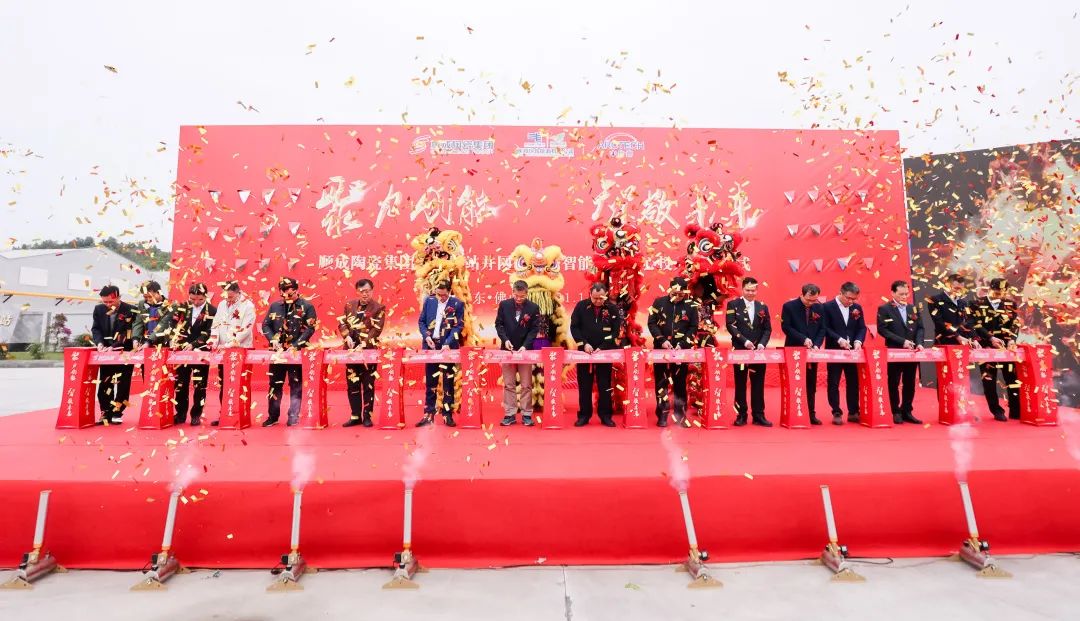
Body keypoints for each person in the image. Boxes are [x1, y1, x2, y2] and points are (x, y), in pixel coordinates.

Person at [260, 277, 317, 427]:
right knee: (274, 384)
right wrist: (272, 339)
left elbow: (310, 328)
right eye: (283, 292)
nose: (286, 294)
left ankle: (293, 415)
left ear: (296, 290)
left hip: (296, 353)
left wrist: (296, 345)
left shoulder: (307, 307)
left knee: (295, 384)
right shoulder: (275, 306)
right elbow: (266, 325)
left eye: (289, 292)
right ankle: (273, 416)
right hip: (277, 352)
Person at [570, 282, 624, 427]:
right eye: (595, 298)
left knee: (604, 385)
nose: (598, 301)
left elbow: (615, 331)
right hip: (585, 352)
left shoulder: (612, 309)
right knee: (584, 385)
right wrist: (584, 344)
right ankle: (584, 415)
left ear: (606, 295)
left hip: (604, 352)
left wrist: (603, 347)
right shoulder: (581, 306)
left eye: (601, 298)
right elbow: (574, 327)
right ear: (590, 294)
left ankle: (605, 415)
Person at [647, 277, 699, 427]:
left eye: (681, 295)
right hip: (661, 349)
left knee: (680, 382)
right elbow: (651, 323)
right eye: (674, 294)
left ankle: (680, 415)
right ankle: (662, 414)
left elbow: (693, 327)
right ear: (669, 290)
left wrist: (683, 343)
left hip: (681, 350)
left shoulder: (691, 306)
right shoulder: (658, 302)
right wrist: (662, 340)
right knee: (661, 382)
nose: (677, 297)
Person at [164, 283, 216, 426]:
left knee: (200, 385)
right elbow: (172, 324)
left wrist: (194, 344)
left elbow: (209, 332)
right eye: (193, 299)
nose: (196, 302)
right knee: (180, 384)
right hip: (182, 352)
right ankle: (180, 414)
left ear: (205, 296)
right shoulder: (183, 307)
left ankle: (196, 414)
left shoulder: (212, 310)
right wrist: (173, 339)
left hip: (201, 353)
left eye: (199, 299)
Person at [338, 278, 386, 428]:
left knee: (368, 385)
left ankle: (367, 416)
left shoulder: (379, 308)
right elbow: (342, 323)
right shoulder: (349, 305)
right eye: (362, 291)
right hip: (351, 352)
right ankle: (355, 416)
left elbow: (376, 330)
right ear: (357, 291)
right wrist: (346, 336)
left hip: (368, 352)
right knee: (352, 384)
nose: (365, 294)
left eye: (368, 291)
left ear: (372, 290)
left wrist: (363, 344)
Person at [972, 278, 1022, 421]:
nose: (1000, 295)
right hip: (987, 348)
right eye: (997, 292)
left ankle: (1015, 410)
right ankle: (996, 410)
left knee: (1012, 378)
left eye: (1003, 292)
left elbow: (1014, 324)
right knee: (989, 380)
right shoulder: (976, 303)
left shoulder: (1010, 304)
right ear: (990, 289)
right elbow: (974, 324)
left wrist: (1011, 339)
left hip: (1006, 348)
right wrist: (990, 338)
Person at [725, 276, 773, 427]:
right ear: (742, 289)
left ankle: (759, 415)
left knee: (758, 383)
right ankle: (741, 415)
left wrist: (762, 344)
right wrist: (744, 341)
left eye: (753, 290)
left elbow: (767, 329)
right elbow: (730, 325)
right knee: (740, 383)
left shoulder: (762, 307)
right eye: (748, 290)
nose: (751, 293)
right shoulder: (733, 304)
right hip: (740, 350)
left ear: (757, 290)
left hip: (758, 352)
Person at [417, 281, 466, 427]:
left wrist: (448, 343)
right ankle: (428, 414)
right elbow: (421, 322)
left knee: (448, 382)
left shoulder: (457, 304)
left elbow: (458, 326)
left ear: (449, 291)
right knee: (430, 382)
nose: (441, 298)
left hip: (448, 348)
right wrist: (426, 336)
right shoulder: (429, 301)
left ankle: (447, 414)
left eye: (444, 295)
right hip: (431, 346)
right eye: (439, 294)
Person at [207, 281, 256, 426]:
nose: (228, 300)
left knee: (239, 383)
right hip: (223, 351)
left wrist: (229, 344)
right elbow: (216, 324)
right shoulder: (222, 304)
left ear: (238, 292)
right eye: (226, 296)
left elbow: (246, 329)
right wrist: (213, 340)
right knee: (225, 383)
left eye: (231, 297)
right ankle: (225, 414)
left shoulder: (248, 306)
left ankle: (240, 416)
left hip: (240, 349)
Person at [876, 280, 925, 424]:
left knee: (910, 382)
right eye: (901, 294)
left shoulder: (913, 308)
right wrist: (902, 341)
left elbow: (920, 328)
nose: (904, 297)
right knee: (894, 382)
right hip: (894, 351)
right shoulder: (884, 309)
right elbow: (882, 330)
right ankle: (895, 411)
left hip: (912, 352)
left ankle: (907, 410)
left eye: (906, 294)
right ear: (892, 293)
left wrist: (919, 343)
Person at [494, 280, 541, 427]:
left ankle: (526, 414)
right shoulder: (504, 305)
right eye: (516, 296)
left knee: (526, 384)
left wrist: (525, 346)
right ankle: (510, 414)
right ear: (512, 292)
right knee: (509, 384)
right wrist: (505, 340)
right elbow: (499, 324)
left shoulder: (533, 308)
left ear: (527, 293)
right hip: (507, 349)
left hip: (524, 351)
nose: (519, 299)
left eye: (522, 296)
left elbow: (534, 329)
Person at [90, 285, 136, 425]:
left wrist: (113, 347)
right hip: (106, 353)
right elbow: (96, 329)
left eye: (111, 301)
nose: (108, 305)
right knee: (105, 382)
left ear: (119, 297)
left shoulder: (130, 310)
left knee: (123, 383)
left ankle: (117, 412)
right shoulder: (99, 309)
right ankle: (105, 412)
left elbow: (128, 332)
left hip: (124, 351)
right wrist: (99, 343)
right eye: (105, 302)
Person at [822, 282, 867, 425]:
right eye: (848, 298)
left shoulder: (856, 308)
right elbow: (825, 328)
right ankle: (836, 411)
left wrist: (858, 341)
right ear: (841, 293)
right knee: (833, 382)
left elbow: (862, 328)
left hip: (852, 352)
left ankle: (853, 411)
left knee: (853, 381)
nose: (851, 301)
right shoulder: (827, 307)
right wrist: (839, 339)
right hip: (834, 350)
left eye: (854, 299)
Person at [780, 284, 826, 425]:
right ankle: (794, 412)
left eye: (814, 300)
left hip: (812, 352)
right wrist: (803, 339)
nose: (811, 303)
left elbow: (822, 328)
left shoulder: (819, 307)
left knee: (811, 383)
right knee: (794, 382)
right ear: (802, 295)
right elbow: (786, 327)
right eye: (808, 300)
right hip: (794, 350)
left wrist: (817, 344)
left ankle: (811, 413)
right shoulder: (789, 306)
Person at [929, 273, 976, 346]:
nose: (958, 291)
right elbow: (939, 322)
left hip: (964, 343)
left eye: (961, 289)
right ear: (947, 285)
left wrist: (973, 338)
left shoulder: (963, 302)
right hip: (945, 342)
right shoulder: (935, 300)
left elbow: (968, 322)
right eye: (956, 288)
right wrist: (957, 336)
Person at [131, 280, 169, 349]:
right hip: (145, 342)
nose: (148, 299)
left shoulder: (169, 305)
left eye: (150, 296)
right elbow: (138, 322)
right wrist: (135, 339)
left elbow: (162, 325)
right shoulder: (142, 304)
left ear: (159, 292)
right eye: (145, 297)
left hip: (163, 343)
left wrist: (149, 341)